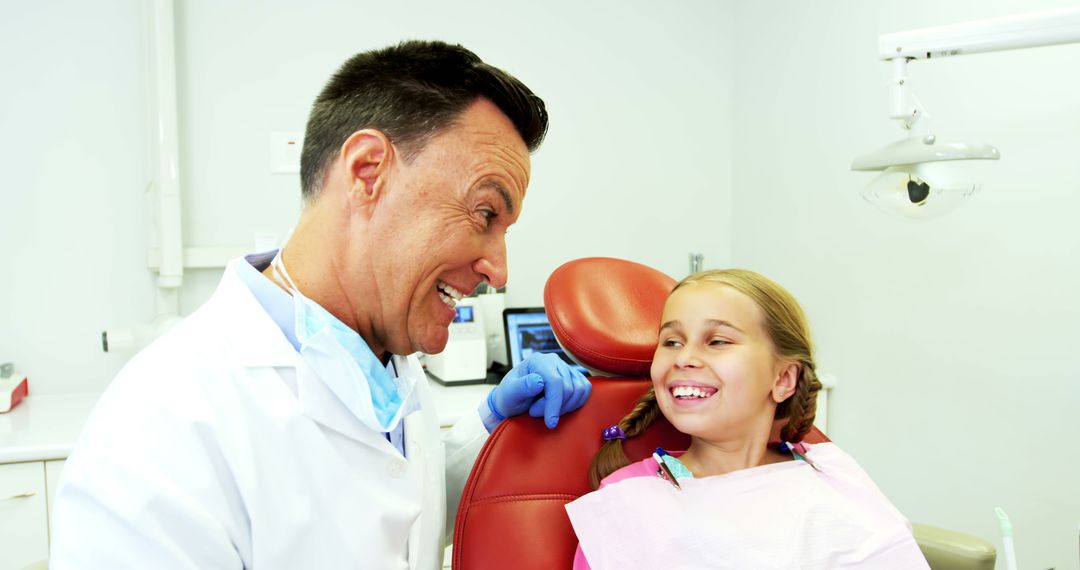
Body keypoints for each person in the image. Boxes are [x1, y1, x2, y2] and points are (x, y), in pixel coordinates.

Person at [50, 41, 590, 570]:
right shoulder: (160, 432)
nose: (500, 270)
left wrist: (491, 423)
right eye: (485, 213)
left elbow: (393, 515)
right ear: (367, 172)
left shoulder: (381, 354)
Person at [565, 269, 928, 569]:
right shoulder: (629, 499)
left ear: (783, 379)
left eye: (718, 341)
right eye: (672, 342)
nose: (684, 358)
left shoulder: (830, 470)